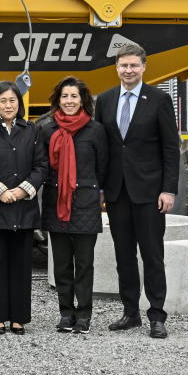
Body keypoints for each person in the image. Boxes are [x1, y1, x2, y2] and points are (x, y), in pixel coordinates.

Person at [94, 42, 179, 339]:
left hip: (149, 193)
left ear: (143, 67)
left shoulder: (159, 100)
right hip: (117, 193)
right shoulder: (104, 101)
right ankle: (130, 313)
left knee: (152, 255)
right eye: (123, 65)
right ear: (116, 68)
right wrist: (101, 189)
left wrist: (169, 190)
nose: (128, 70)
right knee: (124, 256)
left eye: (133, 65)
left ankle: (157, 315)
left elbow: (171, 149)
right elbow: (101, 149)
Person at [0, 80, 47, 335]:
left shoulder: (31, 130)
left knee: (21, 265)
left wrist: (22, 190)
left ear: (19, 104)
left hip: (23, 207)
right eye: (3, 100)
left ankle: (19, 317)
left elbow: (41, 166)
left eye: (12, 100)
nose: (8, 105)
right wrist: (0, 192)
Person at [37, 76, 108, 334]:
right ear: (58, 99)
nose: (69, 101)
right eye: (65, 96)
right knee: (62, 264)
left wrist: (102, 195)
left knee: (85, 263)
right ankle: (66, 314)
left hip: (86, 204)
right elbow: (41, 166)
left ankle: (84, 315)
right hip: (56, 202)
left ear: (82, 100)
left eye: (74, 96)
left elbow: (103, 167)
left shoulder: (95, 130)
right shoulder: (47, 129)